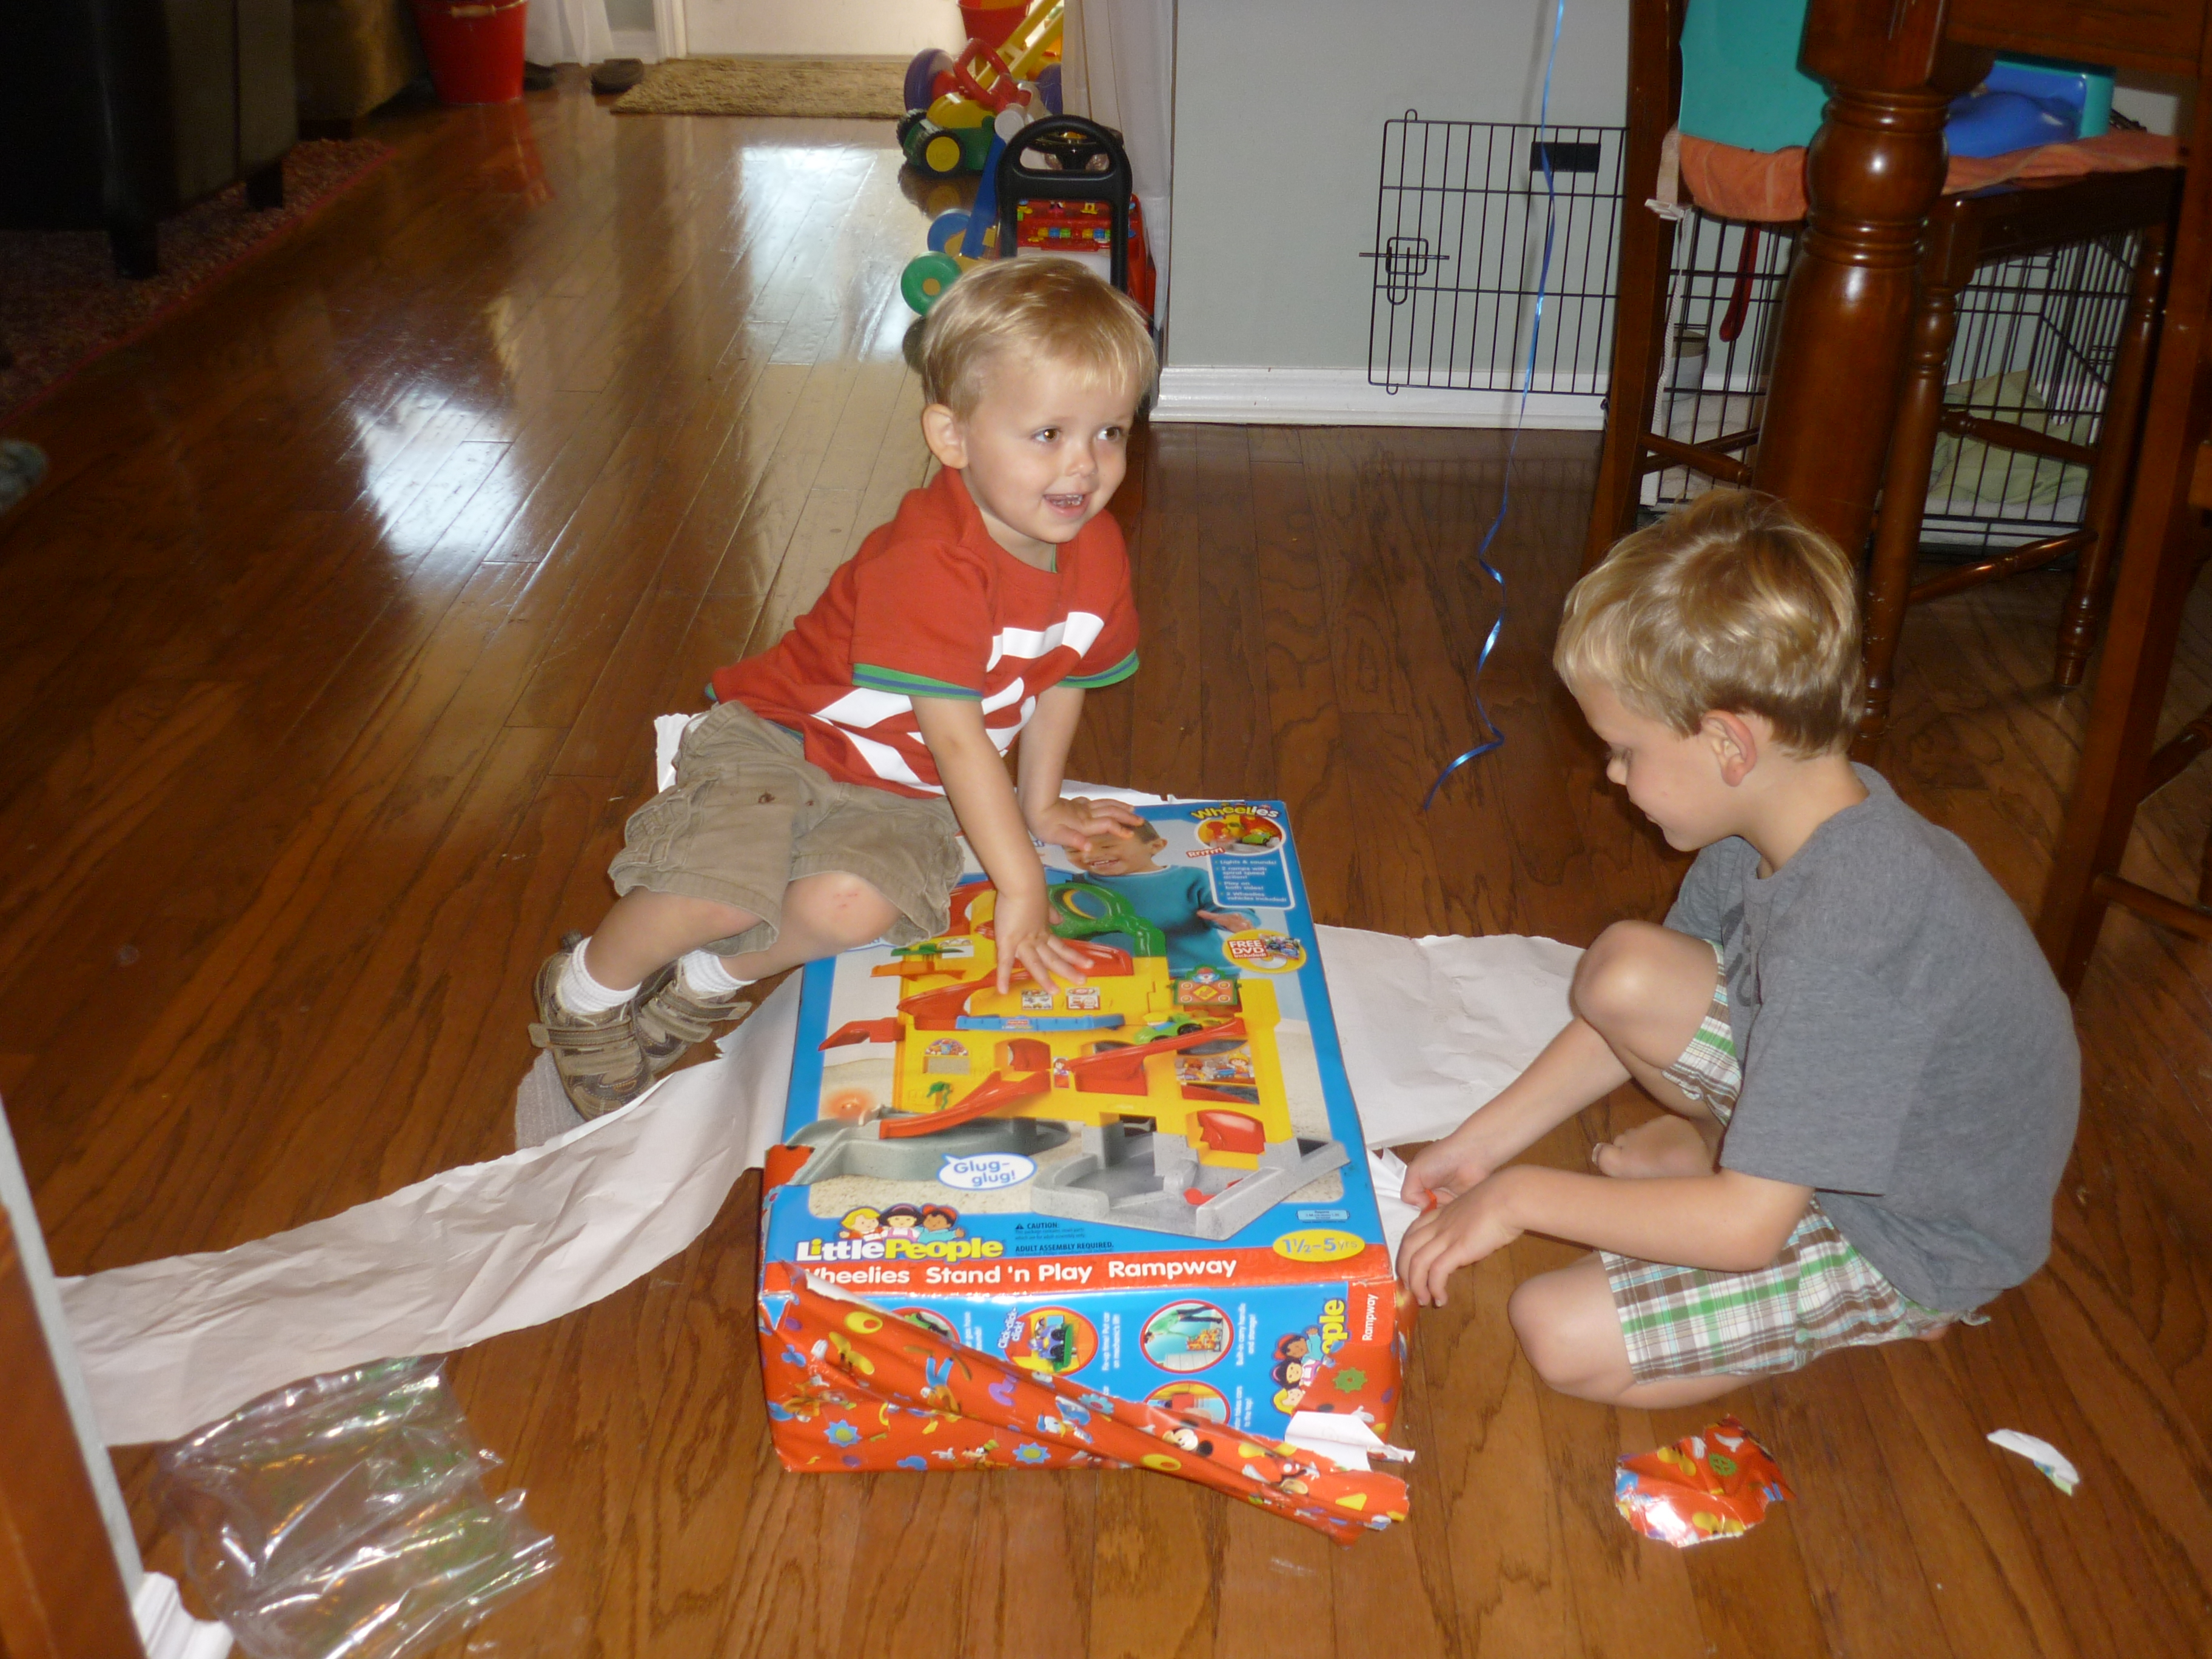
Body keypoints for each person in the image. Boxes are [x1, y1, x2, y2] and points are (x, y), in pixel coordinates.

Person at [1396, 489, 2079, 1407]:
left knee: (1559, 1333)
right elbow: (1633, 1013)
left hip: (1907, 1231)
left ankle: (1896, 1297)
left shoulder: (1852, 933)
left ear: (1727, 743)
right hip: (1853, 1114)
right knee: (1624, 970)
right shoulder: (1776, 820)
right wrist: (1478, 1147)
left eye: (1625, 750)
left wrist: (1518, 1197)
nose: (1611, 775)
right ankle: (1737, 1153)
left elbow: (1749, 1232)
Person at [527, 258, 1156, 1116]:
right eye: (1048, 434)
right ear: (953, 437)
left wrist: (1039, 805)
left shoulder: (1098, 550)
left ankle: (703, 982)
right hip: (785, 741)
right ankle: (584, 993)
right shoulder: (931, 561)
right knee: (716, 891)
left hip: (904, 786)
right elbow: (957, 737)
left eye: (1110, 432)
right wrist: (1021, 883)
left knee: (852, 907)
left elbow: (1064, 676)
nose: (1085, 466)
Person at [1064, 818, 1253, 976]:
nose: (1090, 855)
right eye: (1074, 850)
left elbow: (1230, 907)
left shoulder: (1192, 878)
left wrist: (1235, 920)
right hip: (1112, 976)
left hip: (1196, 972)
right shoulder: (1070, 884)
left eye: (1107, 846)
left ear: (1155, 846)